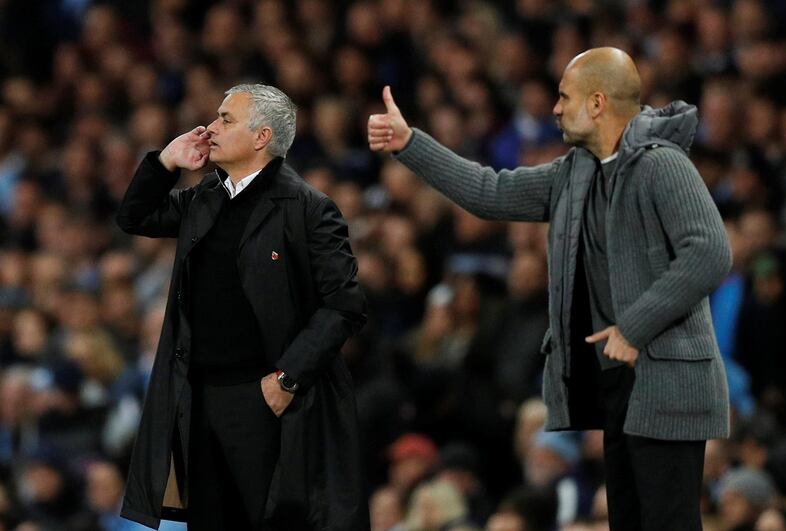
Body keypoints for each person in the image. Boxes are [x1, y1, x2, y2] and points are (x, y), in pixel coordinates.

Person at [368, 47, 731, 531]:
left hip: (665, 379)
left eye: (564, 97)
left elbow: (710, 251)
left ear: (598, 102)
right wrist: (411, 143)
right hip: (619, 382)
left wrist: (635, 326)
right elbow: (489, 193)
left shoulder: (662, 165)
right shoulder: (575, 171)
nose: (555, 109)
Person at [117, 84, 368, 530]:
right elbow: (134, 217)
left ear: (261, 137)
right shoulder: (204, 199)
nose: (210, 128)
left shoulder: (308, 207)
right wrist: (165, 162)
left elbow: (344, 305)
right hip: (199, 397)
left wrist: (286, 380)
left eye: (225, 119)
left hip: (266, 397)